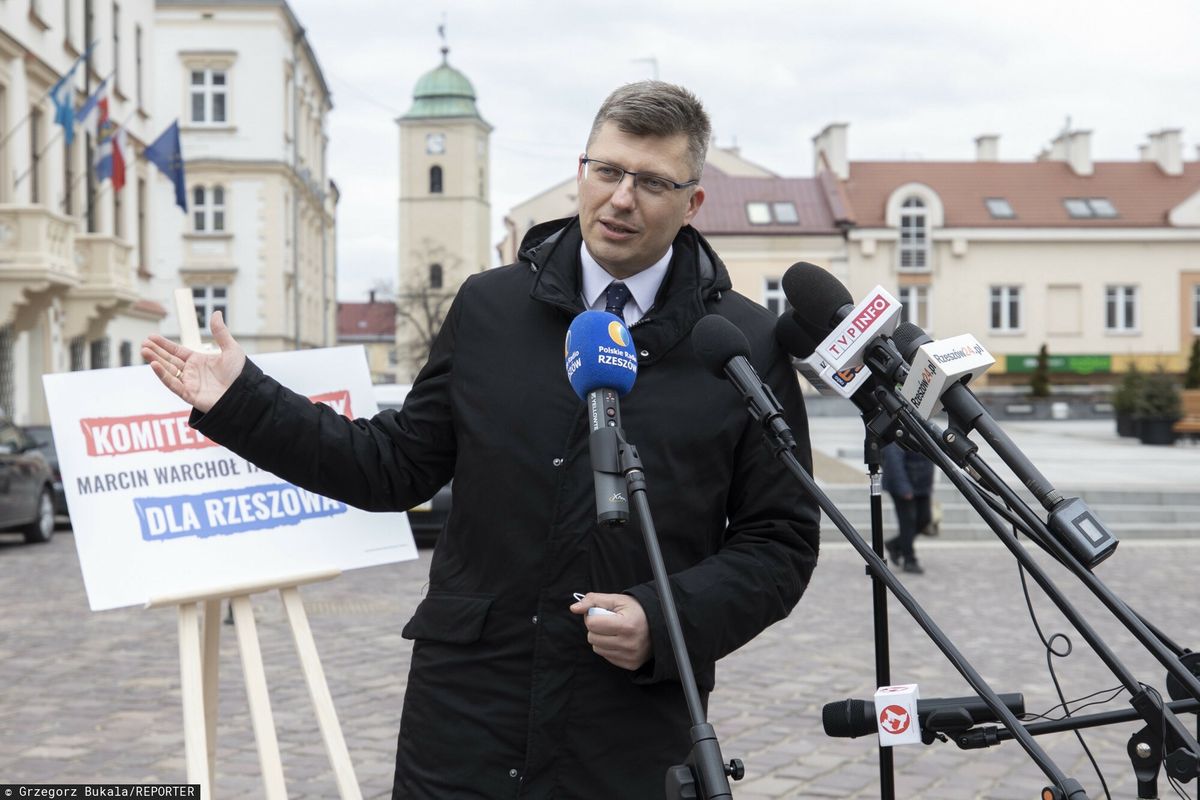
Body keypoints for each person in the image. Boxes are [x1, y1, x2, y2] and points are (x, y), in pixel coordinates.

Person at [142, 81, 820, 799]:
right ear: (581, 170)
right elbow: (393, 465)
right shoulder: (490, 306)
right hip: (466, 711)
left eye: (652, 182)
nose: (622, 198)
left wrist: (665, 618)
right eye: (608, 171)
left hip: (629, 723)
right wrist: (243, 401)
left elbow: (779, 540)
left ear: (692, 203)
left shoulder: (742, 342)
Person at [882, 441, 935, 574]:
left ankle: (895, 544)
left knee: (925, 519)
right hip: (904, 486)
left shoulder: (924, 425)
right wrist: (904, 488)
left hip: (921, 486)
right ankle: (909, 560)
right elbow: (894, 461)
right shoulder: (898, 430)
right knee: (908, 523)